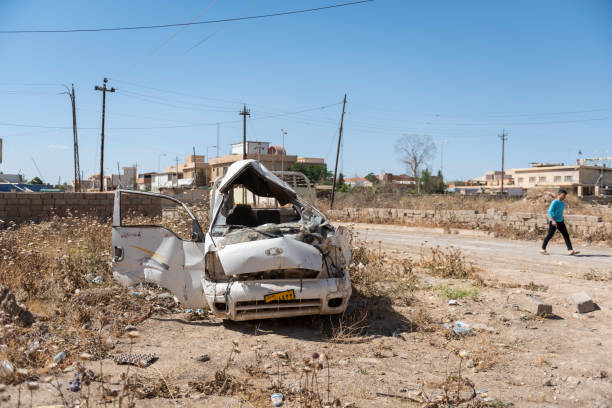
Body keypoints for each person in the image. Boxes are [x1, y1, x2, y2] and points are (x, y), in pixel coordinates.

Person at [540, 189, 579, 255]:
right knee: (550, 235)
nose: (564, 197)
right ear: (559, 194)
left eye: (565, 196)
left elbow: (560, 212)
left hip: (560, 221)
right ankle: (542, 249)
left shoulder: (562, 203)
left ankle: (570, 250)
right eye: (563, 195)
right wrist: (553, 220)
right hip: (554, 221)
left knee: (566, 235)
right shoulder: (555, 202)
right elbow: (550, 211)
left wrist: (562, 219)